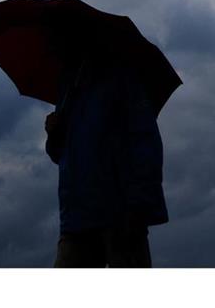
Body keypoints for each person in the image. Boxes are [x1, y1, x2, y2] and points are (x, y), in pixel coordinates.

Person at [44, 37, 168, 267]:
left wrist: (138, 206)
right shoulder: (68, 87)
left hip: (121, 213)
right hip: (76, 217)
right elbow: (61, 153)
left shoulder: (121, 78)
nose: (51, 47)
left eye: (54, 40)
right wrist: (54, 134)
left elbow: (145, 141)